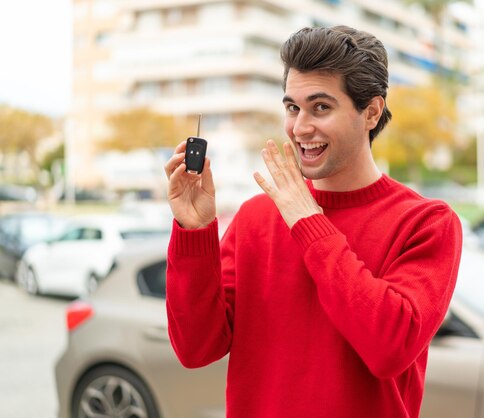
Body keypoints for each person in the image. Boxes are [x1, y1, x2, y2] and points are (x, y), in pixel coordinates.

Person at [164, 25, 462, 418]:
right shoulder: (256, 217)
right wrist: (194, 232)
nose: (300, 127)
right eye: (292, 107)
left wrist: (309, 221)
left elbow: (389, 349)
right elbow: (195, 349)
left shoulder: (427, 223)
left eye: (321, 107)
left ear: (371, 111)